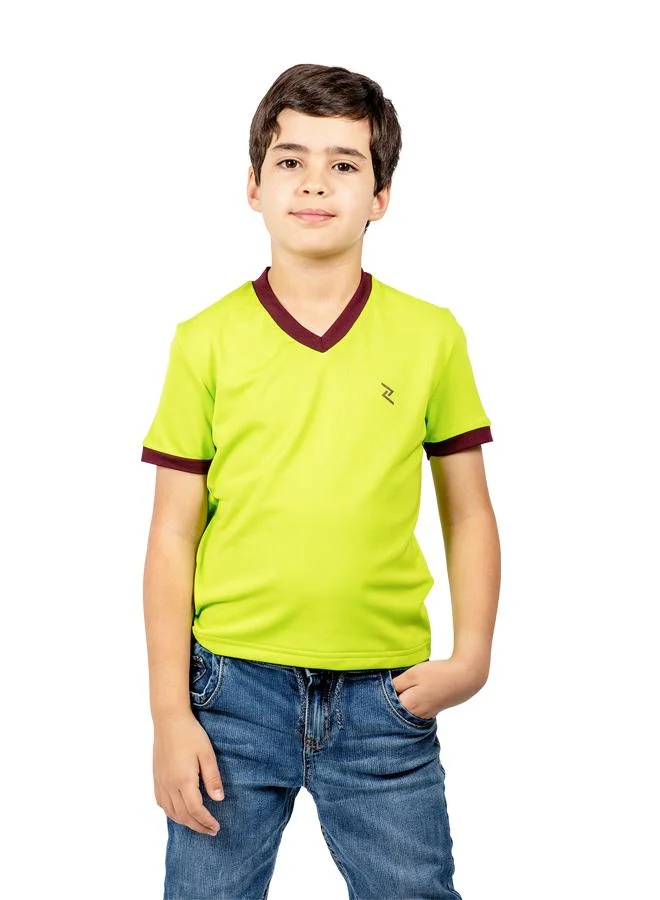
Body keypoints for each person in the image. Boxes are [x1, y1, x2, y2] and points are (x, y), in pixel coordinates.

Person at [141, 62, 500, 900]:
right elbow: (171, 532)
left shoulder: (431, 337)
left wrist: (473, 658)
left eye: (344, 163)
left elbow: (470, 513)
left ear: (381, 196)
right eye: (290, 160)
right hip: (229, 695)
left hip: (386, 703)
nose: (314, 182)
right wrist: (168, 713)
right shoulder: (205, 341)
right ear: (254, 187)